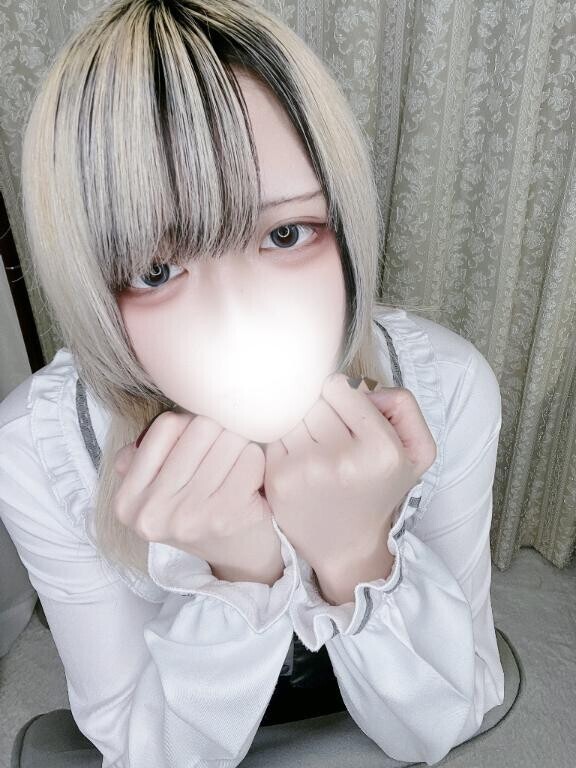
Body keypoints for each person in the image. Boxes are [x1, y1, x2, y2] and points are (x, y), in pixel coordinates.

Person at [0, 0, 506, 766]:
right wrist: (240, 573)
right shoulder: (39, 453)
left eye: (285, 233)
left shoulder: (447, 387)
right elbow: (143, 752)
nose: (239, 320)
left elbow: (447, 719)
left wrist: (357, 554)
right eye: (157, 271)